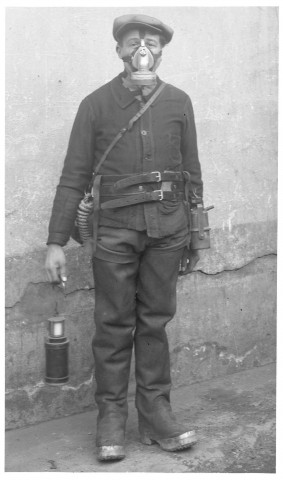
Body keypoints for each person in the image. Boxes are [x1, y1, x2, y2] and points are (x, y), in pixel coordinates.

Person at [45, 14, 204, 462]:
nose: (143, 50)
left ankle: (156, 415)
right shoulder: (95, 105)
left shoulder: (179, 102)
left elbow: (193, 172)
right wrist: (57, 240)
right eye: (134, 42)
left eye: (151, 43)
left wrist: (197, 235)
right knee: (113, 324)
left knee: (155, 322)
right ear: (118, 50)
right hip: (113, 231)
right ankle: (110, 418)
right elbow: (73, 175)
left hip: (169, 229)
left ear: (161, 51)